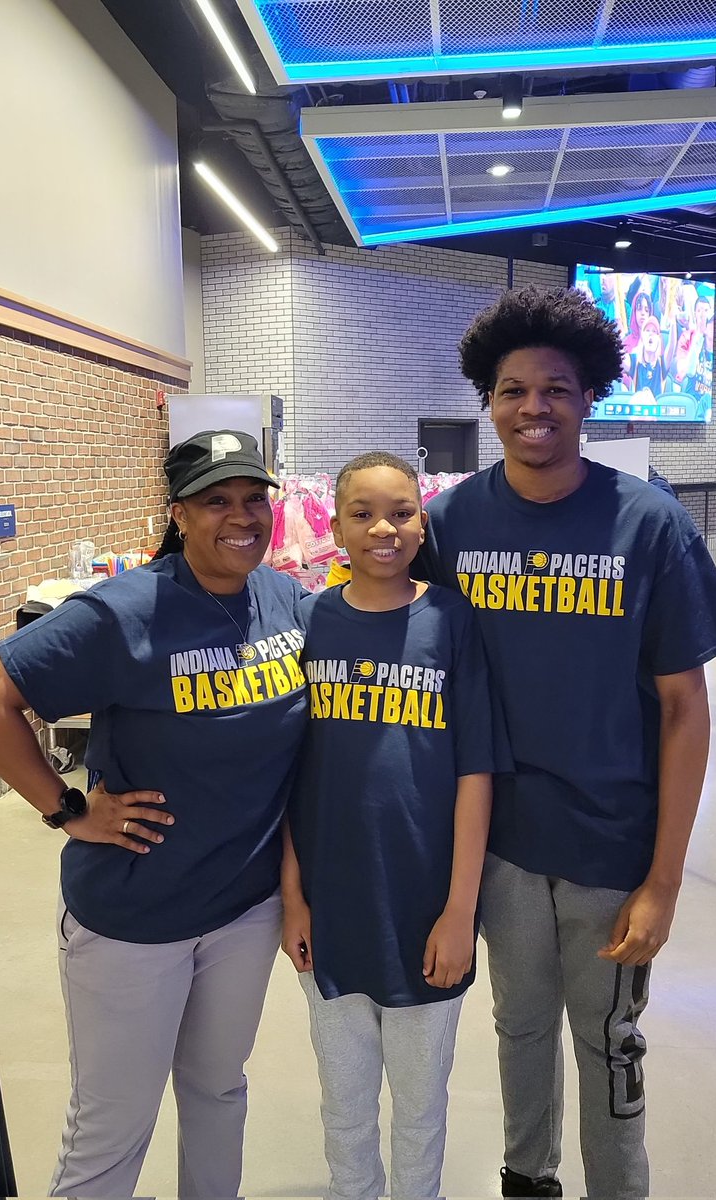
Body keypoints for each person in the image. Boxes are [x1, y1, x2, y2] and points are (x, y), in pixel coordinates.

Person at [415, 285, 716, 1199]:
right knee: (517, 1028)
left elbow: (686, 709)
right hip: (499, 847)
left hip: (609, 845)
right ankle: (528, 1178)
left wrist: (664, 879)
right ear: (486, 399)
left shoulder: (646, 522)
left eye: (556, 388)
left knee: (608, 1042)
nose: (533, 408)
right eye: (513, 388)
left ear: (589, 397)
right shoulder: (446, 527)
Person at [0, 430, 308, 1198]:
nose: (241, 517)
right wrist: (67, 808)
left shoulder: (281, 597)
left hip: (244, 911)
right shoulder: (124, 611)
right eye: (216, 501)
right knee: (113, 1128)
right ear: (178, 513)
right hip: (133, 917)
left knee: (219, 1092)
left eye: (253, 500)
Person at [281, 451, 495, 1200]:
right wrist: (294, 899)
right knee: (342, 1105)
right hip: (331, 909)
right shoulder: (307, 622)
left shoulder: (450, 620)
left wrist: (459, 913)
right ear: (332, 525)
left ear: (421, 520)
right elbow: (285, 777)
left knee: (419, 1106)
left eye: (400, 512)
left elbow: (475, 772)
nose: (383, 528)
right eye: (362, 513)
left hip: (425, 910)